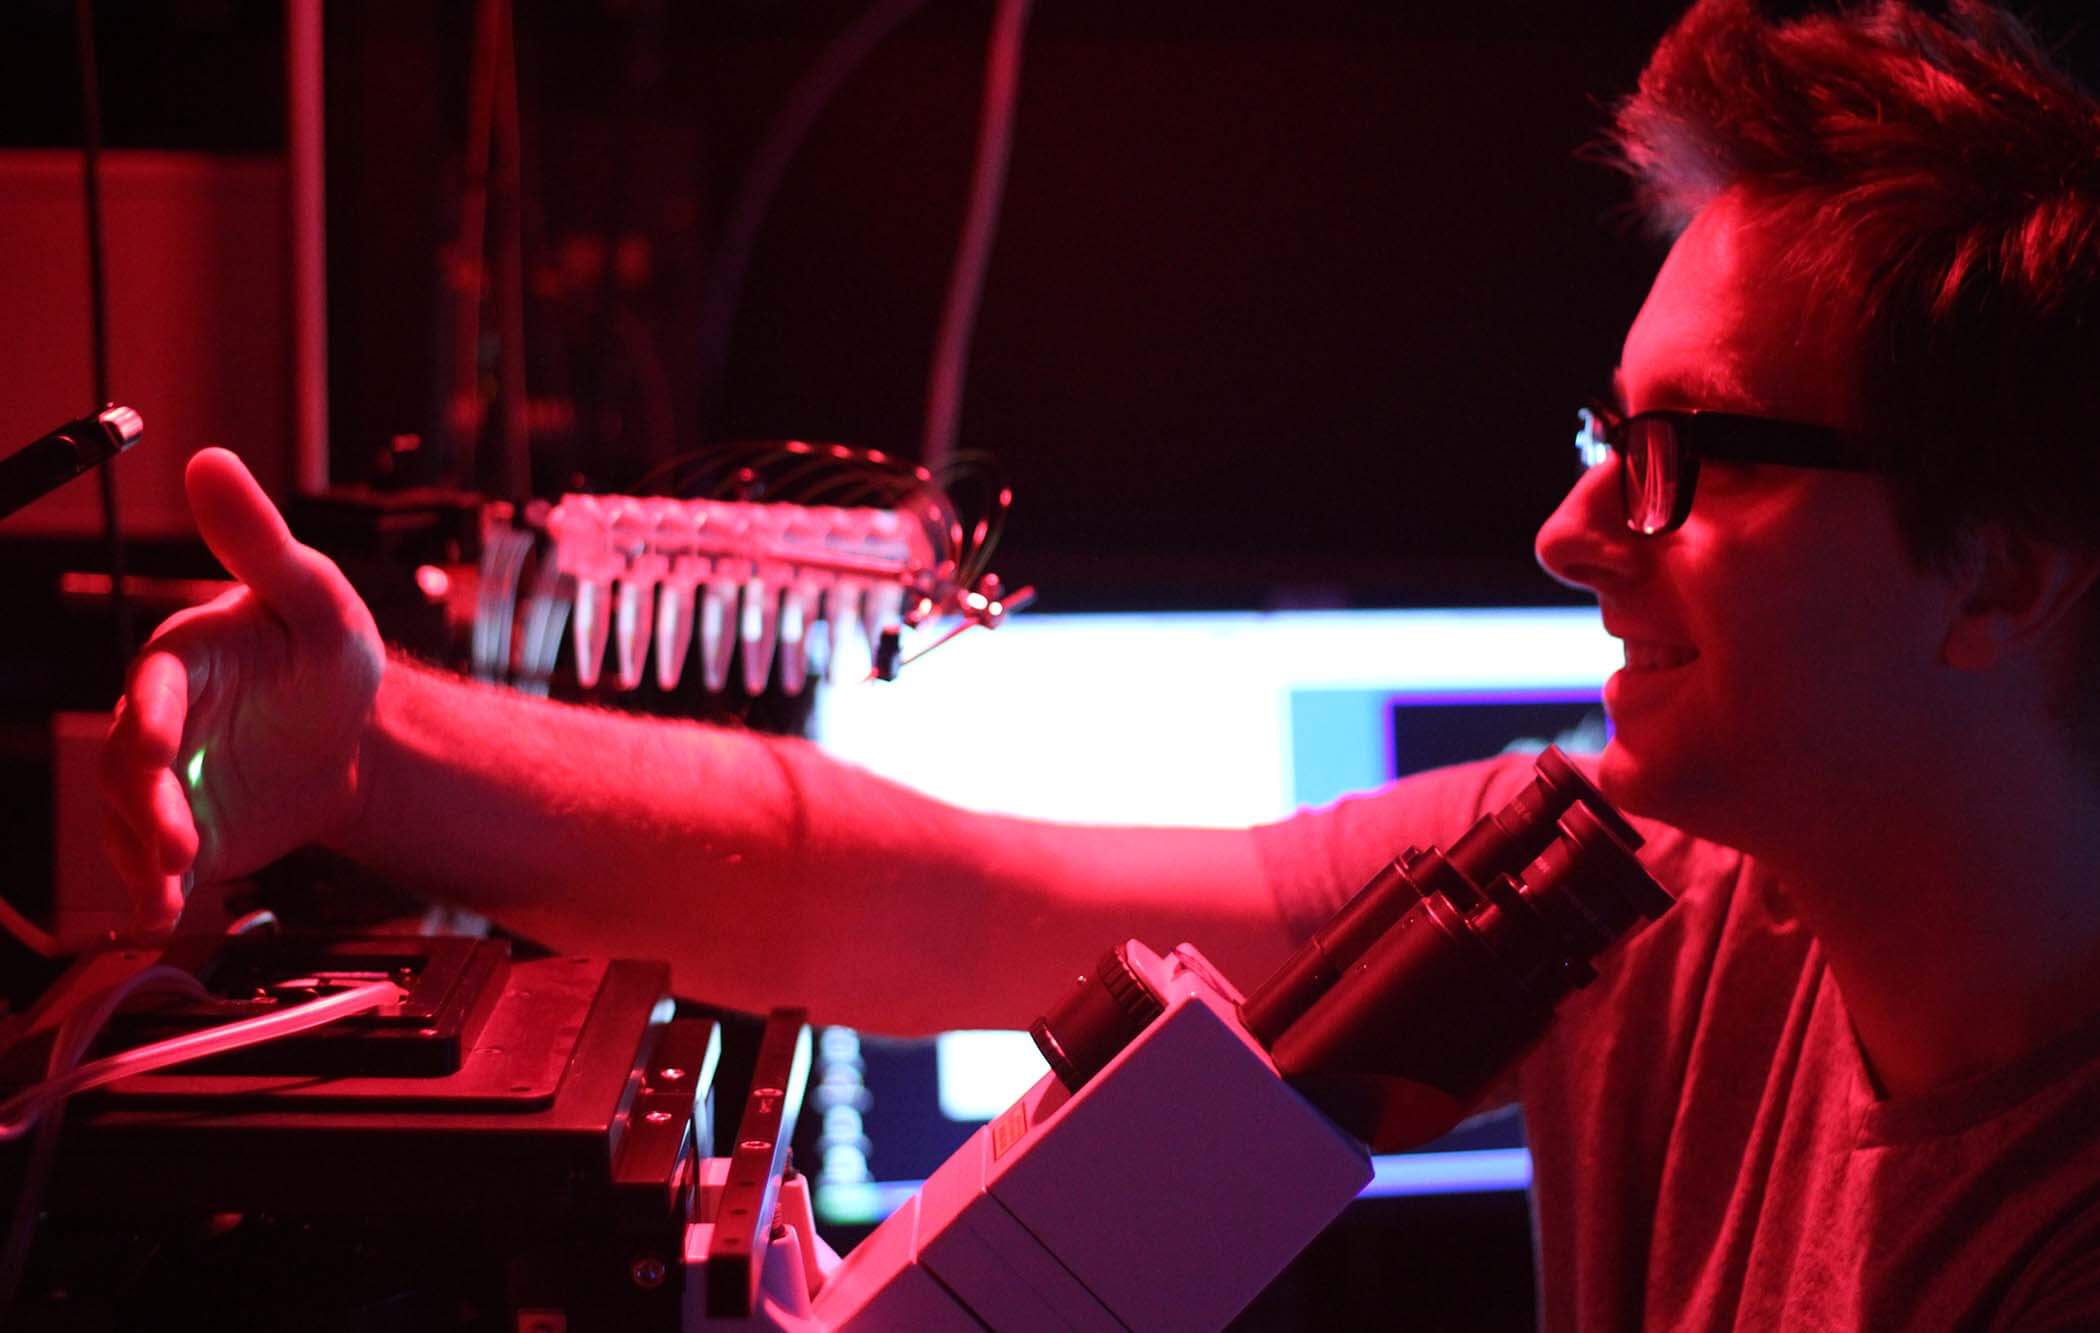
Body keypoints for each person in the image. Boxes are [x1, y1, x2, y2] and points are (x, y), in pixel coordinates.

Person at [99, 0, 2100, 1324]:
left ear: (1999, 567)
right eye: (1605, 440)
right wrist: (366, 755)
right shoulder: (1640, 890)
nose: (1572, 533)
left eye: (1689, 460)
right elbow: (925, 892)